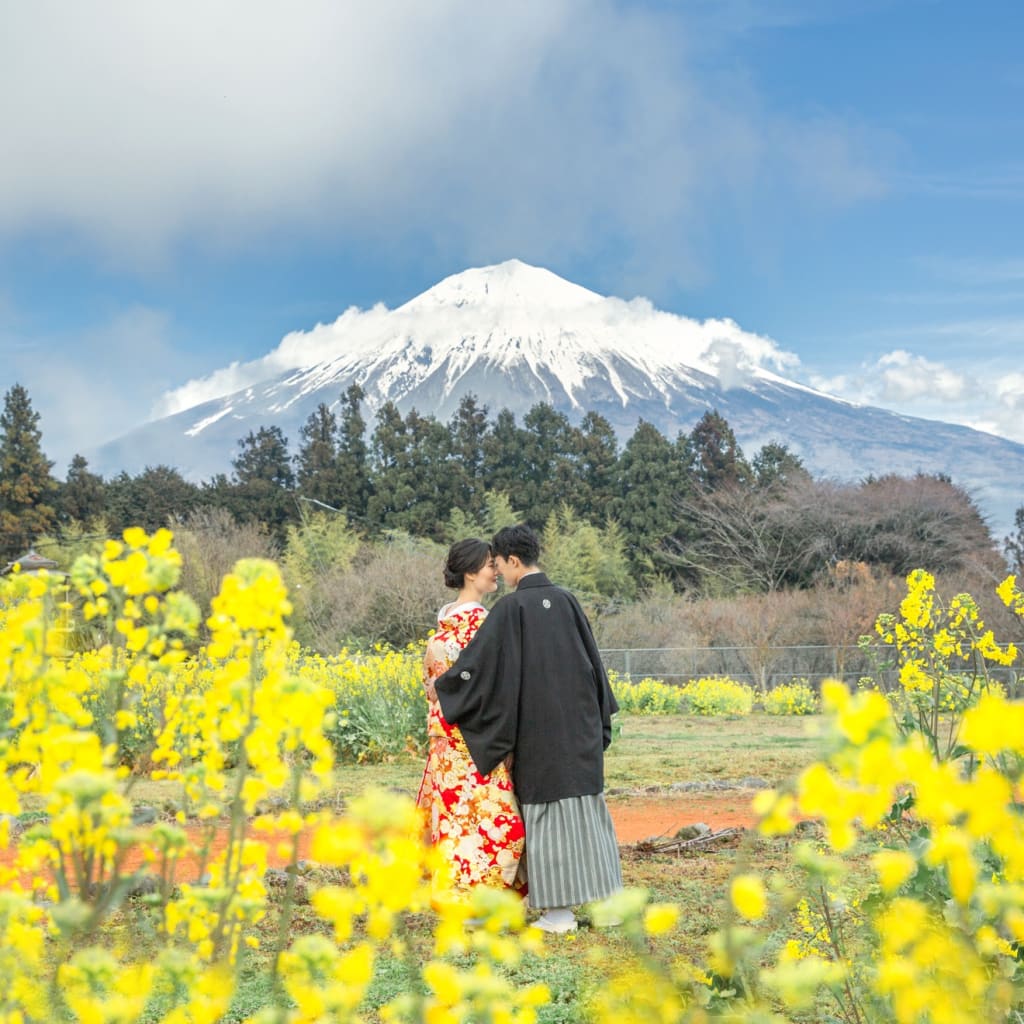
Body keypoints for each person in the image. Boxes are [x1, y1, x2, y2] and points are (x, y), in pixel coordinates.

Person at [434, 524, 622, 933]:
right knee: (588, 815)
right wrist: (600, 718)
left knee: (549, 821)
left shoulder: (510, 610)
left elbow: (481, 669)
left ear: (513, 561)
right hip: (580, 728)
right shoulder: (568, 601)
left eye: (499, 563)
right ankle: (610, 907)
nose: (498, 572)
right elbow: (595, 665)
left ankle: (559, 915)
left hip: (540, 734)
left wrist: (446, 687)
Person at [415, 538, 526, 897]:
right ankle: (482, 901)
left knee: (457, 821)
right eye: (490, 565)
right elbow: (498, 683)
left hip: (446, 735)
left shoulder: (445, 622)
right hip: (475, 737)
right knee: (495, 821)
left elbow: (432, 683)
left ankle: (460, 897)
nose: (496, 571)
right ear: (469, 572)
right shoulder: (480, 623)